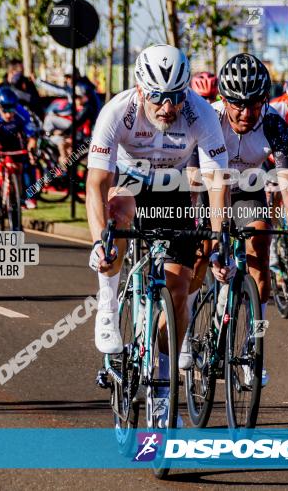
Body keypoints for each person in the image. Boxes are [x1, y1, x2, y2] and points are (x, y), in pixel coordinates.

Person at [85, 44, 232, 426]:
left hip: (174, 186)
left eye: (176, 97)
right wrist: (101, 241)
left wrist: (218, 238)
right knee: (117, 213)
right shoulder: (117, 111)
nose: (168, 107)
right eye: (158, 98)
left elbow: (217, 181)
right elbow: (97, 183)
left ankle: (163, 390)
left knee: (179, 289)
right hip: (131, 179)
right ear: (139, 89)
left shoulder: (201, 114)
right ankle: (108, 304)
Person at [185, 53, 288, 387]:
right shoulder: (209, 118)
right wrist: (212, 233)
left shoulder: (274, 124)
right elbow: (198, 178)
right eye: (237, 104)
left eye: (254, 104)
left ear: (265, 101)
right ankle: (185, 330)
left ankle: (253, 348)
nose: (245, 113)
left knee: (260, 250)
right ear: (223, 99)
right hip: (209, 189)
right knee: (200, 254)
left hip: (248, 192)